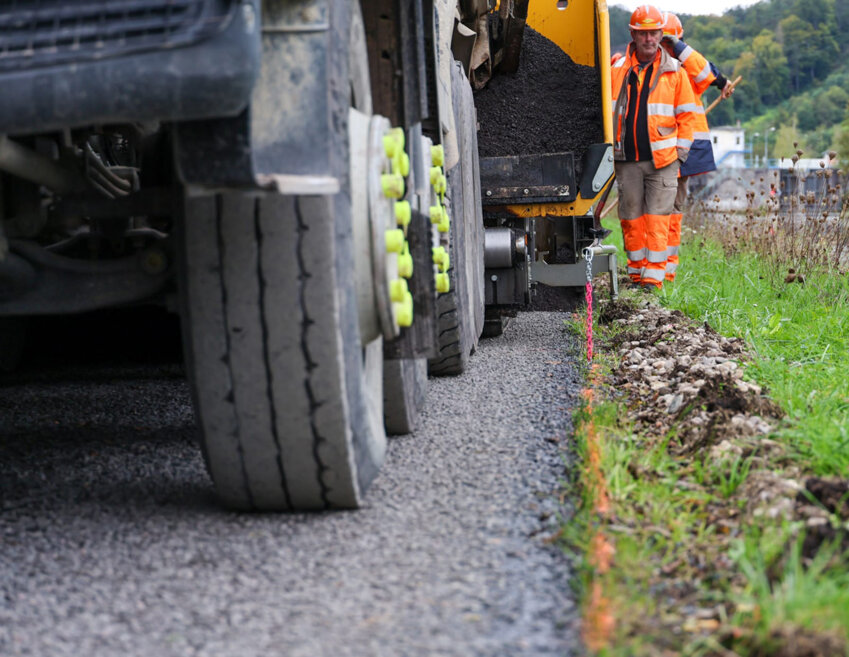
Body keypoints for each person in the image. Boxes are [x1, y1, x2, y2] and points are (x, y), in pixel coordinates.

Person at [611, 5, 697, 290]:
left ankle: (653, 279)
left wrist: (680, 156)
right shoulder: (617, 70)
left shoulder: (676, 73)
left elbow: (687, 117)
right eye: (643, 33)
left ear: (662, 34)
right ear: (633, 35)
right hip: (627, 159)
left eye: (653, 33)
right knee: (631, 217)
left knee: (659, 219)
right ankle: (636, 273)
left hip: (663, 160)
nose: (649, 39)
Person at [660, 12, 734, 281]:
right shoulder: (650, 67)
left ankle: (665, 271)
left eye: (666, 42)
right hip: (658, 150)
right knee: (655, 209)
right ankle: (651, 268)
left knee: (671, 209)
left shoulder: (688, 68)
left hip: (683, 151)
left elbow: (703, 69)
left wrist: (676, 46)